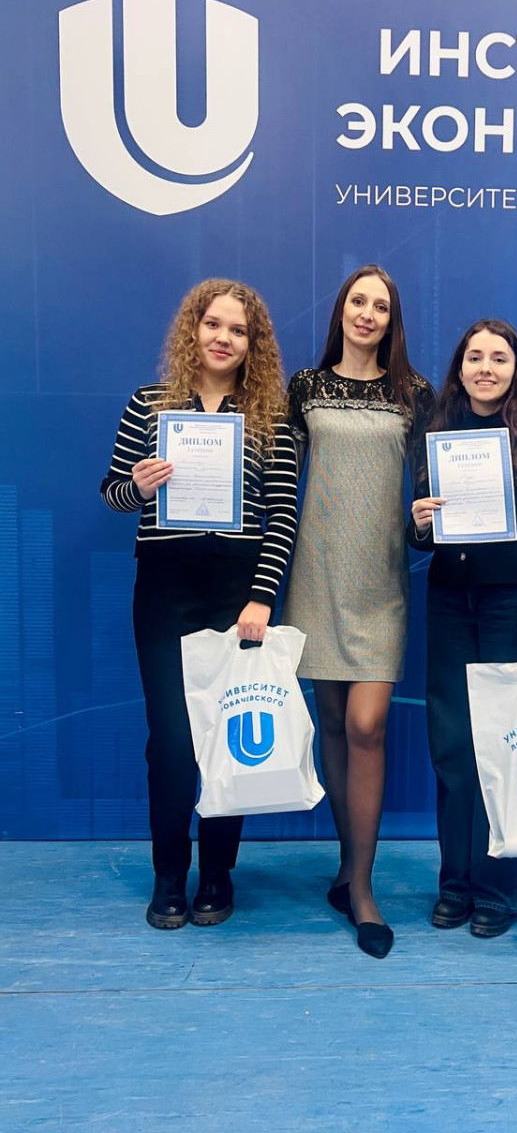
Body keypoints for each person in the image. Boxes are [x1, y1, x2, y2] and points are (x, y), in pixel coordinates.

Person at [100, 279, 297, 930]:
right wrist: (137, 485)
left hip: (238, 592)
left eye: (238, 330)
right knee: (171, 740)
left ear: (252, 344)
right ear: (194, 328)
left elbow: (282, 514)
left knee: (229, 736)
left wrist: (262, 597)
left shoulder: (272, 414)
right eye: (213, 324)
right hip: (164, 588)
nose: (223, 338)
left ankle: (216, 873)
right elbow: (112, 493)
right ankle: (168, 876)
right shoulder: (149, 404)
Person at [283, 265, 434, 958]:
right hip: (316, 577)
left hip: (380, 582)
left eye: (381, 306)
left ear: (392, 320)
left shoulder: (414, 394)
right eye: (358, 301)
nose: (368, 314)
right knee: (335, 727)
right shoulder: (305, 388)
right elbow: (281, 480)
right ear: (340, 310)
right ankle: (346, 869)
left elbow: (427, 500)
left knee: (367, 725)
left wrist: (422, 526)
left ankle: (365, 889)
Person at [409, 319, 517, 938]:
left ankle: (502, 888)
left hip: (511, 610)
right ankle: (456, 882)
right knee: (453, 749)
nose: (485, 368)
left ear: (514, 369)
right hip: (449, 604)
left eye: (498, 358)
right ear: (459, 367)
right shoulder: (436, 432)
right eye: (474, 357)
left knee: (504, 748)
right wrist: (419, 523)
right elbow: (419, 536)